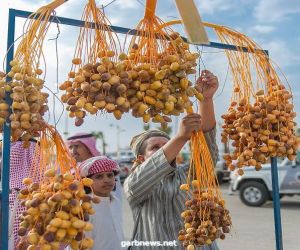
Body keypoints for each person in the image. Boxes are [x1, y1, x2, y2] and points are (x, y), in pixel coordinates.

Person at [124, 70, 219, 250]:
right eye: (156, 148)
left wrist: (205, 100)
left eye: (165, 145)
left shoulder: (186, 175)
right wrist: (180, 138)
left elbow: (206, 150)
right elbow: (149, 172)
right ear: (141, 158)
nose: (164, 150)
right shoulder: (133, 183)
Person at [78, 156, 124, 250]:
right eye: (99, 177)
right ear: (88, 182)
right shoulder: (85, 206)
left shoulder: (116, 201)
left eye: (110, 175)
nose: (106, 180)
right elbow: (80, 243)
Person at [66, 132, 123, 202]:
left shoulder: (106, 165)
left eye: (77, 146)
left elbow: (115, 197)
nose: (73, 151)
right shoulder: (70, 169)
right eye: (70, 147)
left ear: (89, 147)